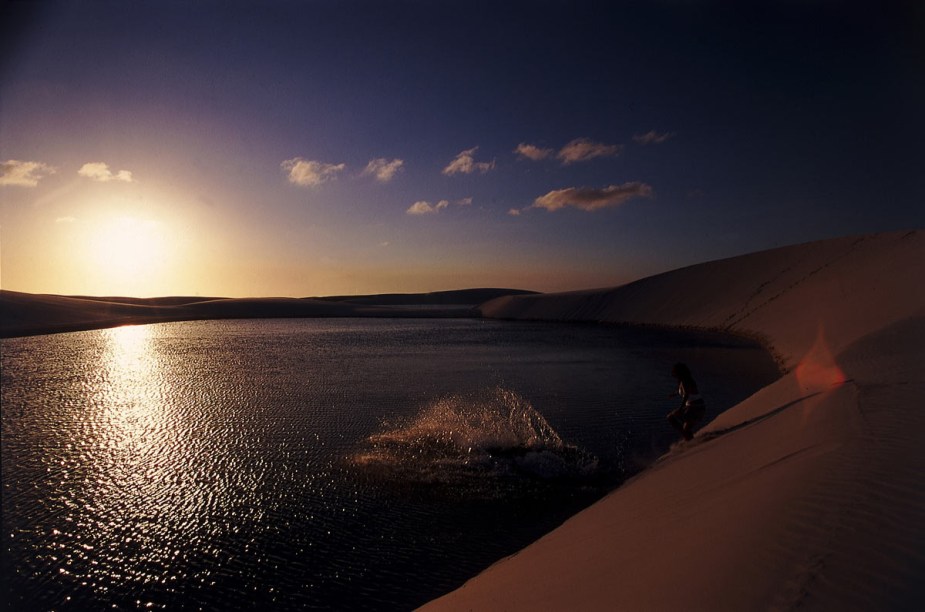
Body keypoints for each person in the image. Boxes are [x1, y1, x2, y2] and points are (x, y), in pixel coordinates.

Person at [667, 362, 705, 441]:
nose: (672, 373)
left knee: (671, 417)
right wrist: (673, 394)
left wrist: (681, 408)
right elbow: (682, 391)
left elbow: (686, 394)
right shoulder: (685, 380)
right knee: (685, 428)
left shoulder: (685, 381)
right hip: (697, 406)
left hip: (694, 408)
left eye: (674, 371)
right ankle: (689, 440)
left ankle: (689, 440)